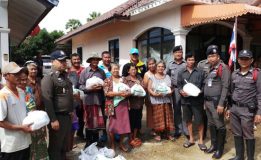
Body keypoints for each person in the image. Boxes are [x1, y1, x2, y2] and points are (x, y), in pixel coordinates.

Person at [227, 50, 261, 160]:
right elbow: (231, 92)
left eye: (247, 58)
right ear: (238, 59)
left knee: (248, 134)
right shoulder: (234, 74)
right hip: (235, 108)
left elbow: (260, 94)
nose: (244, 61)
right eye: (241, 58)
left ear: (251, 60)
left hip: (247, 110)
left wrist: (259, 113)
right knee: (237, 133)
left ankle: (250, 158)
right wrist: (229, 107)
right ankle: (239, 156)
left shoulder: (256, 74)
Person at [41, 50, 73, 160]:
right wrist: (53, 119)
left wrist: (71, 111)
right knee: (55, 147)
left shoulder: (65, 76)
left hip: (67, 116)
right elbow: (47, 100)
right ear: (53, 61)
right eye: (61, 61)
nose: (64, 63)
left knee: (64, 145)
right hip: (57, 117)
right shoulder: (49, 78)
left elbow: (68, 95)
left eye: (65, 60)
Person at [0, 62, 32, 160]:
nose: (18, 76)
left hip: (25, 141)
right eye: (15, 74)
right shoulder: (3, 95)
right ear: (6, 76)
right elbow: (0, 122)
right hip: (11, 146)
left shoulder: (22, 92)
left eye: (19, 73)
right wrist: (21, 127)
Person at [203, 45, 230, 159]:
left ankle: (220, 149)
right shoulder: (209, 67)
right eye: (209, 56)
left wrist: (221, 104)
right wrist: (205, 101)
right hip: (208, 102)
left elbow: (225, 87)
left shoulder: (223, 68)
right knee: (211, 124)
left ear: (218, 56)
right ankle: (214, 145)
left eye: (213, 56)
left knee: (220, 125)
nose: (211, 58)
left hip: (216, 103)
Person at [177, 53, 206, 151]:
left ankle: (201, 140)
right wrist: (181, 91)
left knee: (199, 120)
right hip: (185, 101)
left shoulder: (200, 72)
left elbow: (203, 85)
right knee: (188, 120)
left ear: (195, 61)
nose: (191, 61)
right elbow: (179, 85)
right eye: (189, 59)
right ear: (186, 61)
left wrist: (199, 92)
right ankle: (191, 139)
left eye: (192, 59)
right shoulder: (181, 72)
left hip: (197, 101)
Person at [79, 52, 106, 148]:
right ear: (90, 60)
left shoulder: (101, 72)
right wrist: (90, 89)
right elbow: (80, 86)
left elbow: (105, 84)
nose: (95, 61)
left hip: (99, 100)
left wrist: (101, 87)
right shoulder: (85, 72)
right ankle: (89, 141)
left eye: (97, 60)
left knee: (98, 122)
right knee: (89, 121)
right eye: (93, 59)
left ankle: (97, 140)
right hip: (89, 100)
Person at [24, 62, 49, 160]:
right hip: (30, 116)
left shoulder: (40, 81)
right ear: (27, 71)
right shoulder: (25, 82)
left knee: (42, 138)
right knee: (32, 139)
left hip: (41, 114)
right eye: (31, 69)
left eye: (35, 69)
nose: (34, 71)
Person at [103, 63, 131, 152]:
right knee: (112, 125)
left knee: (123, 125)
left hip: (123, 105)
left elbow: (129, 90)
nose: (116, 70)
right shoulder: (107, 80)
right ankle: (112, 144)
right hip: (112, 105)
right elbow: (107, 93)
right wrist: (119, 93)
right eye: (114, 69)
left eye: (117, 68)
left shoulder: (123, 79)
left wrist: (127, 93)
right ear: (110, 70)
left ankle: (121, 144)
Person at [148, 60, 174, 141]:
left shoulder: (167, 77)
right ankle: (158, 133)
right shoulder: (152, 77)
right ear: (156, 67)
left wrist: (170, 92)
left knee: (167, 117)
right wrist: (154, 94)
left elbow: (171, 88)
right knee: (158, 118)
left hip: (166, 100)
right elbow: (149, 89)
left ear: (164, 68)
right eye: (159, 66)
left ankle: (167, 134)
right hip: (156, 100)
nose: (160, 68)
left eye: (162, 66)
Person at [166, 45, 188, 139]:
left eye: (180, 52)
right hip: (175, 90)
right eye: (177, 52)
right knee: (177, 110)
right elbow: (167, 76)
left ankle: (186, 130)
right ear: (173, 54)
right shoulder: (170, 64)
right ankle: (178, 130)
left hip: (185, 90)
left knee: (186, 110)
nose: (178, 54)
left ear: (182, 53)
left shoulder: (186, 63)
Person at [123, 63, 144, 147]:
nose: (134, 71)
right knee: (130, 121)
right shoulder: (126, 79)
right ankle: (130, 138)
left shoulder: (139, 78)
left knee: (137, 121)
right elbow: (125, 90)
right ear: (128, 71)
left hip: (139, 103)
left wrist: (140, 84)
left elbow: (143, 89)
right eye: (132, 69)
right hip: (130, 104)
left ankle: (135, 137)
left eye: (135, 69)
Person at [67, 53, 85, 143]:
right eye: (74, 59)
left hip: (82, 98)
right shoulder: (67, 71)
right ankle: (71, 137)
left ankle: (80, 133)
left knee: (81, 117)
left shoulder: (84, 70)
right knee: (72, 118)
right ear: (71, 61)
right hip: (71, 99)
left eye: (78, 59)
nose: (77, 61)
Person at [143, 58, 157, 135]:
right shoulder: (146, 74)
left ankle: (160, 127)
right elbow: (145, 87)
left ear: (155, 63)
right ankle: (153, 129)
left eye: (153, 63)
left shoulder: (159, 71)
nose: (151, 65)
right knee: (151, 113)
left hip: (159, 95)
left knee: (159, 111)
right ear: (147, 65)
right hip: (150, 96)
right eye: (149, 64)